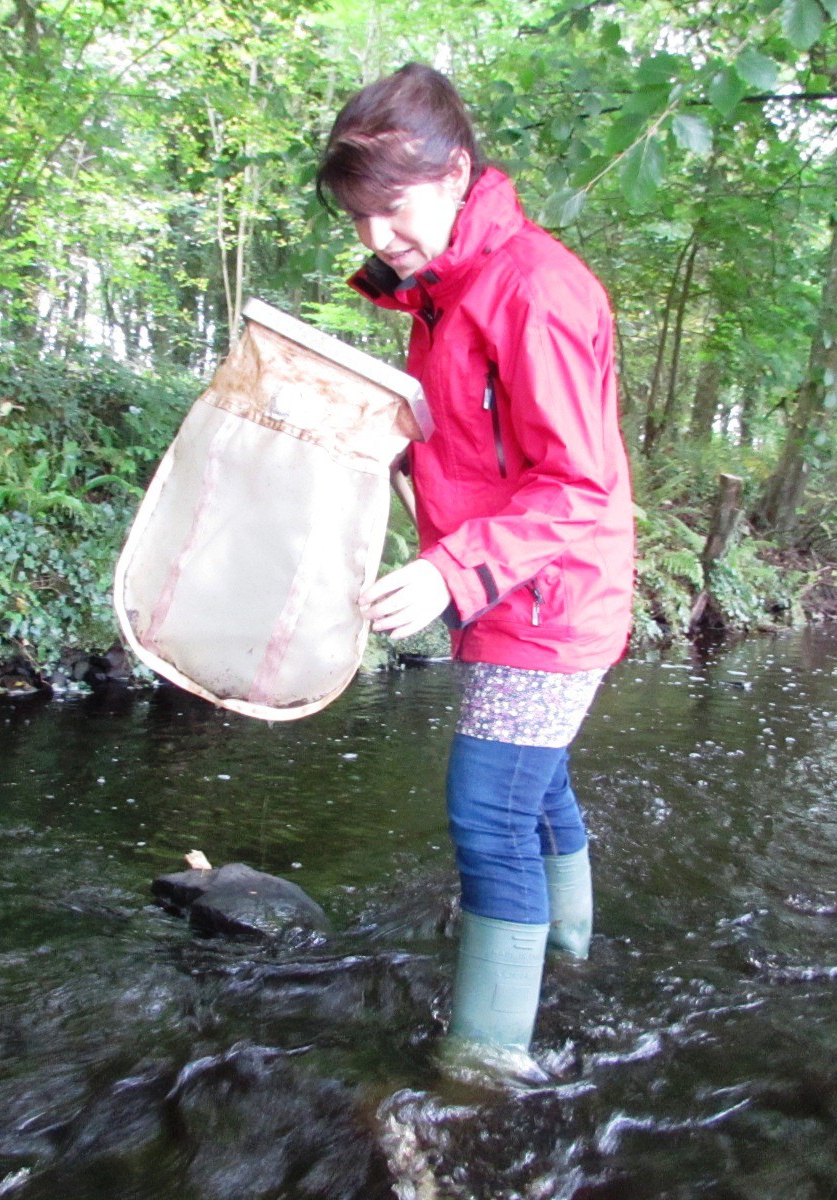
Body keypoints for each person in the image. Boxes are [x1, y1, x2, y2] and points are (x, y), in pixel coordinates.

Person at [317, 64, 635, 1064]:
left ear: (457, 173)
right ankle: (573, 951)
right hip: (511, 589)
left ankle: (488, 1065)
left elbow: (578, 484)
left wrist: (453, 573)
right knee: (535, 788)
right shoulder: (443, 291)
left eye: (392, 209)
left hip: (547, 598)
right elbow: (467, 440)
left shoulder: (534, 290)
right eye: (359, 218)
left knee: (488, 815)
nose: (375, 240)